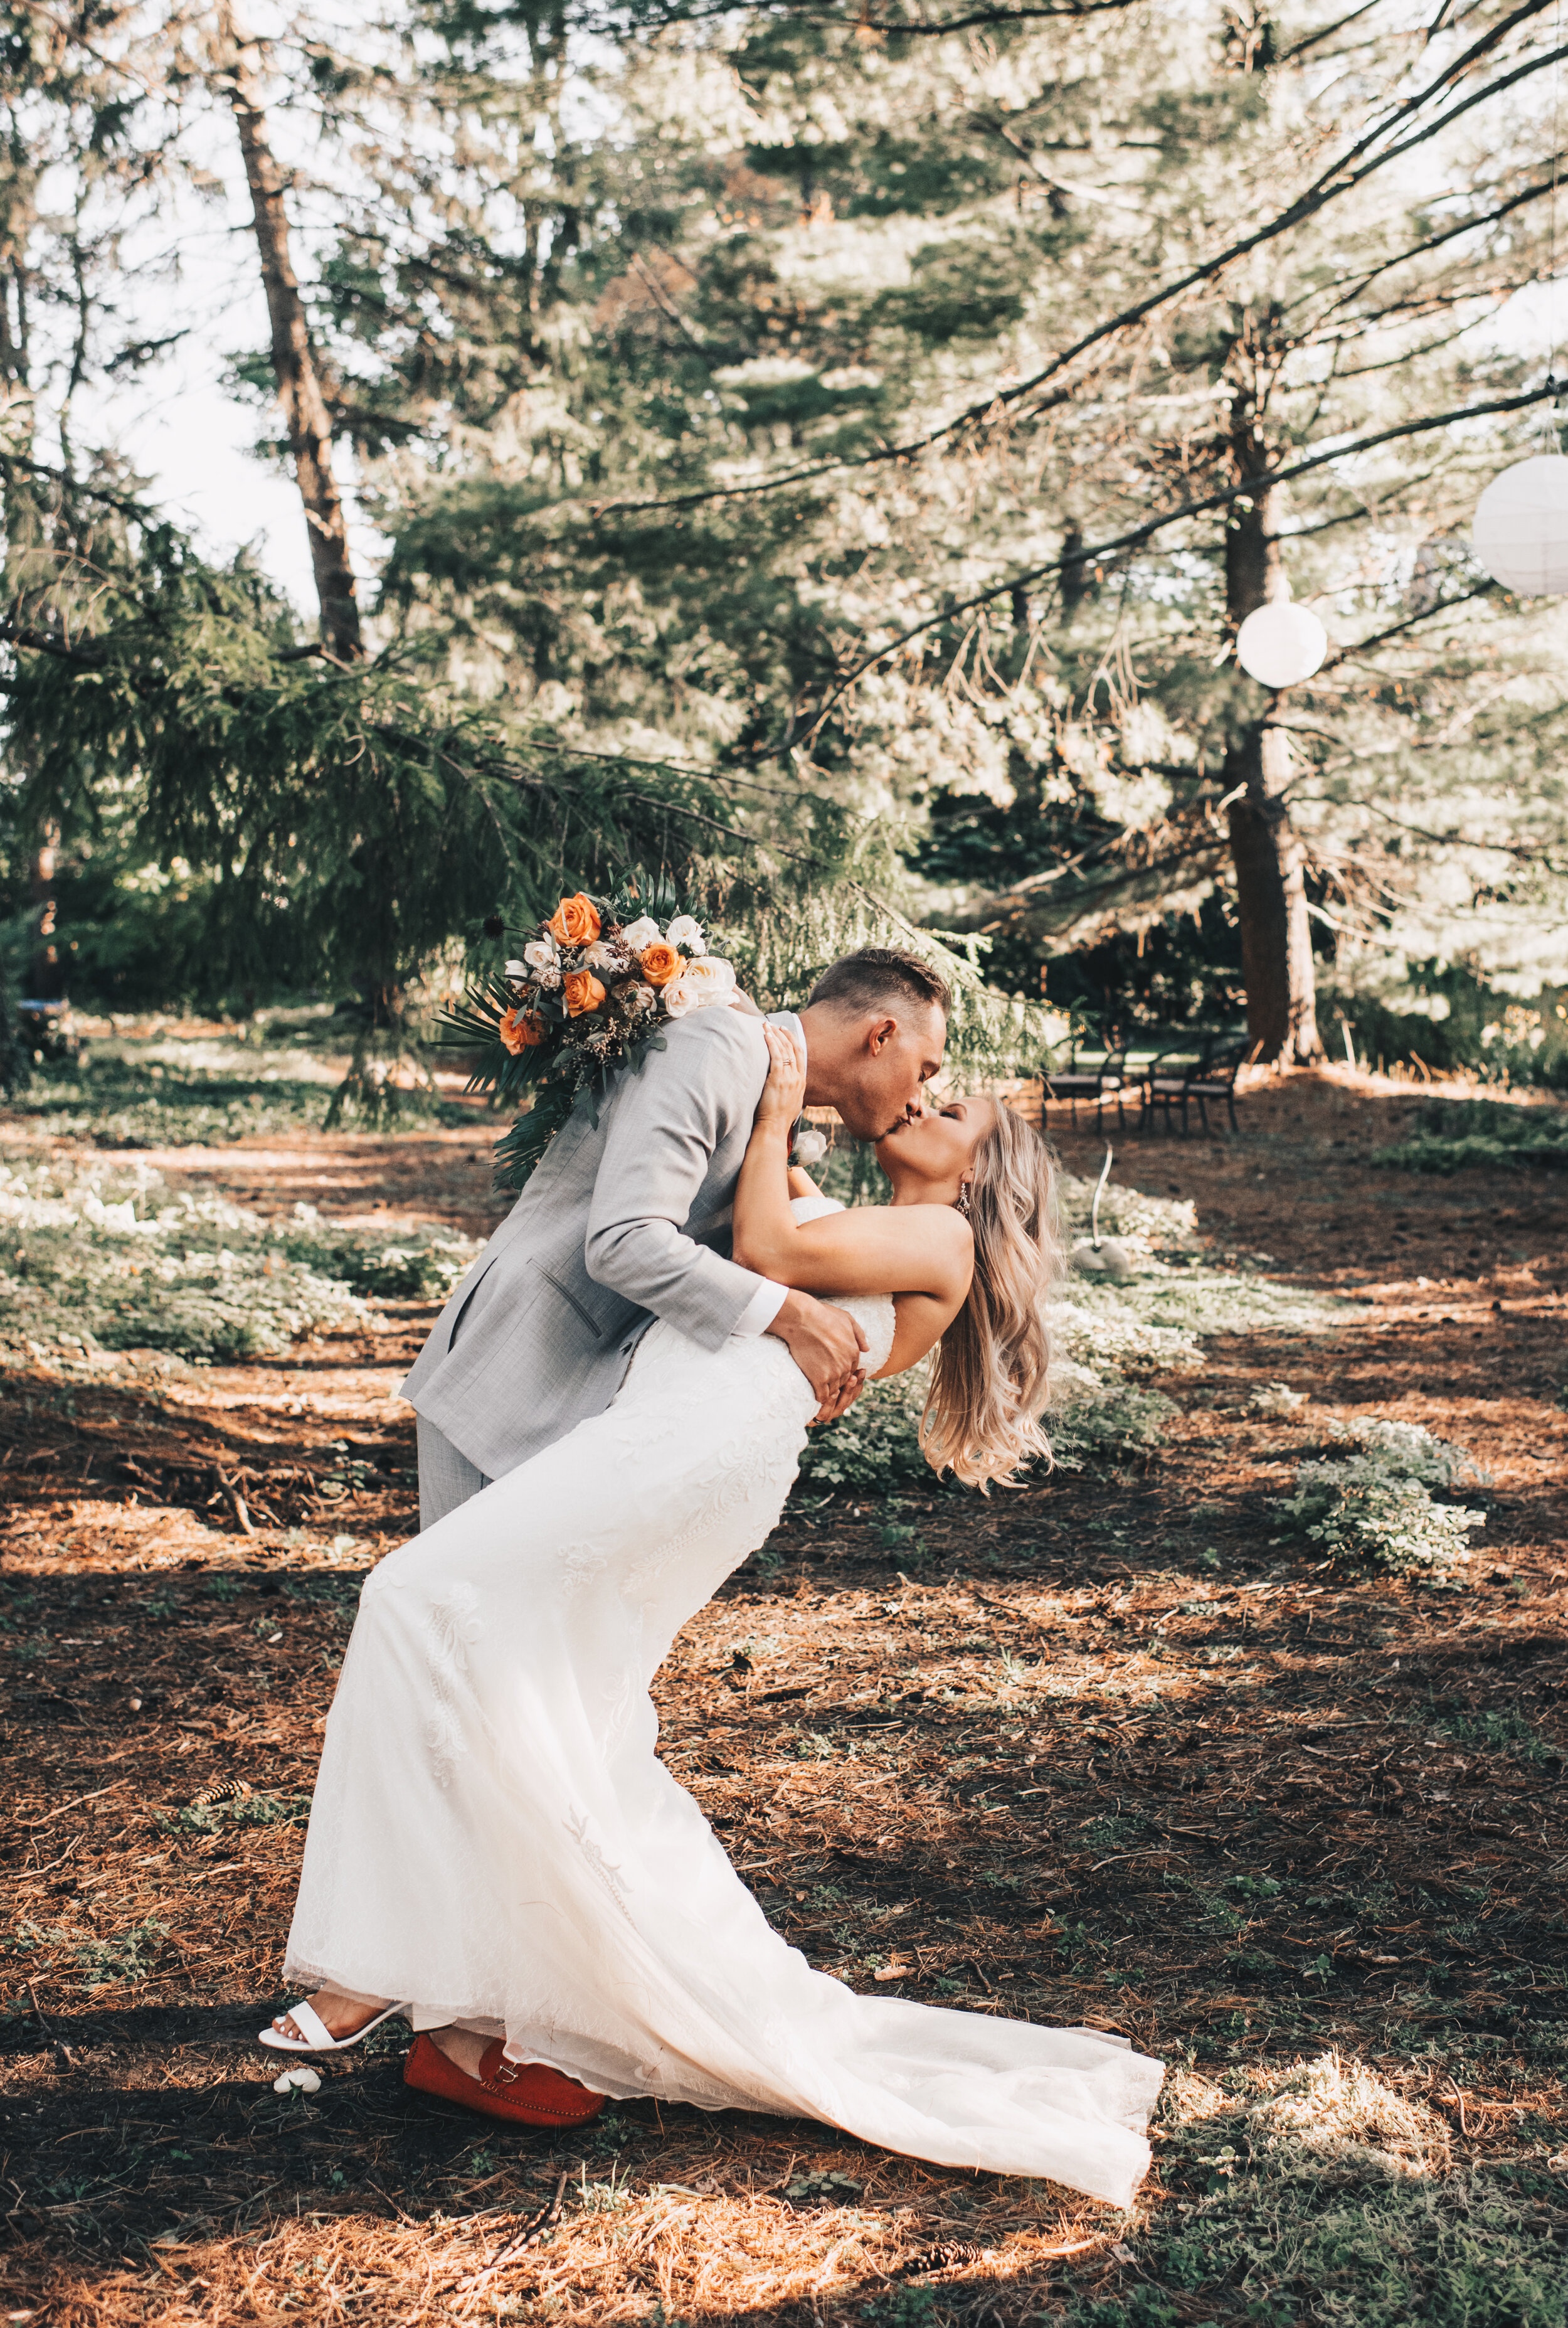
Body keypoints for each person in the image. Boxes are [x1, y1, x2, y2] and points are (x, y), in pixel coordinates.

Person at [259, 994, 1163, 2206]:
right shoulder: (873, 1214)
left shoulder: (939, 1243)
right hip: (661, 1430)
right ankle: (482, 2007)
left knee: (419, 1602)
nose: (933, 1100)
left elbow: (766, 1258)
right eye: (935, 1081)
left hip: (693, 1451)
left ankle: (378, 1966)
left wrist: (780, 1106)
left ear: (985, 1168)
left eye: (959, 1109)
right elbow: (736, 1234)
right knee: (536, 1692)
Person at [401, 949, 954, 1530]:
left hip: (584, 1398)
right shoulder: (719, 1045)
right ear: (883, 1034)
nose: (920, 1098)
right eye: (925, 1070)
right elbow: (626, 1240)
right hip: (509, 1377)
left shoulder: (774, 1095)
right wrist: (796, 1318)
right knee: (460, 1616)